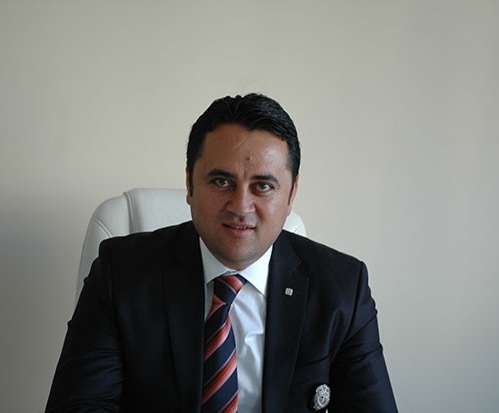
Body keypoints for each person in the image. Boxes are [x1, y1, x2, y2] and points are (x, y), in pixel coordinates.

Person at [46, 93, 397, 412]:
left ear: (291, 194)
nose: (240, 206)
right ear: (190, 184)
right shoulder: (120, 274)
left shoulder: (343, 289)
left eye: (263, 186)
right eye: (221, 182)